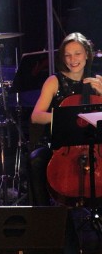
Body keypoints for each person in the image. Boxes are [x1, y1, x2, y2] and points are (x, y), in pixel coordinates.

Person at [28, 32, 102, 205]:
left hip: (93, 146)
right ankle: (44, 215)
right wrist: (64, 117)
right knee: (36, 160)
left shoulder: (97, 82)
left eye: (77, 54)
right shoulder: (54, 81)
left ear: (86, 54)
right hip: (58, 146)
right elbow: (36, 116)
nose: (72, 59)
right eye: (67, 55)